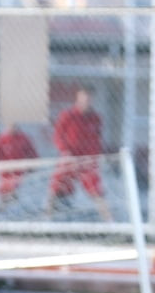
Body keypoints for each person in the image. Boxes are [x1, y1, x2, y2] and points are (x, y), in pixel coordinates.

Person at [45, 86, 112, 222]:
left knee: (96, 191)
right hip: (69, 158)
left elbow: (96, 140)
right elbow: (58, 136)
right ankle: (46, 220)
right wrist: (65, 152)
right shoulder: (68, 115)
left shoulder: (95, 118)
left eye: (88, 97)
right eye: (83, 97)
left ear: (92, 99)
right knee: (55, 188)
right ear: (77, 97)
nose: (85, 100)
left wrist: (94, 158)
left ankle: (110, 222)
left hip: (86, 161)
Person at [0, 123, 38, 203]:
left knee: (17, 189)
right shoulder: (1, 140)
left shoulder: (23, 139)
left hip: (19, 173)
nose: (11, 128)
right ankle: (4, 201)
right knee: (5, 189)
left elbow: (32, 153)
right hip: (5, 173)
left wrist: (32, 165)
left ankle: (12, 199)